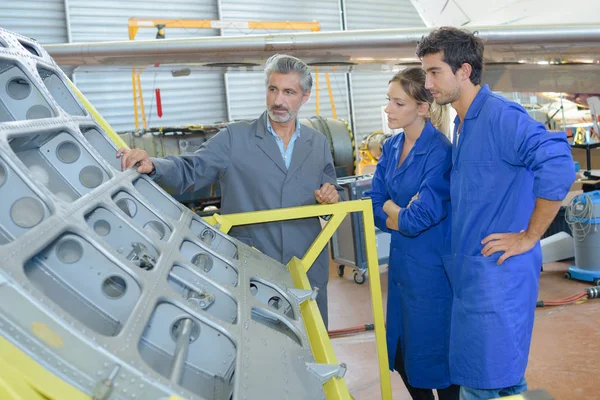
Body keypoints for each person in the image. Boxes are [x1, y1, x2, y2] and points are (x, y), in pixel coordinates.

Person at [117, 54, 341, 327]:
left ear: (304, 97)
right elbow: (193, 169)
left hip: (307, 263)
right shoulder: (235, 138)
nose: (278, 100)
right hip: (255, 265)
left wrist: (331, 196)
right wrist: (154, 165)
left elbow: (331, 189)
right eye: (273, 89)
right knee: (259, 349)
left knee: (314, 347)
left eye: (288, 92)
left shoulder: (316, 143)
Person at [416, 27, 576, 399]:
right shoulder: (463, 123)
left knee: (493, 382)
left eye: (434, 72)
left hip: (498, 276)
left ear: (464, 71)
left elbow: (558, 165)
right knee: (488, 381)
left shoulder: (501, 116)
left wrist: (530, 236)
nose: (427, 83)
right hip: (474, 274)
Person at [366, 67, 459, 400]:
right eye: (388, 101)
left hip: (432, 274)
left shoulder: (440, 152)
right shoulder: (391, 148)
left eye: (398, 103)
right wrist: (397, 210)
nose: (388, 110)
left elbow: (418, 219)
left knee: (439, 362)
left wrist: (395, 210)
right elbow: (373, 204)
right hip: (403, 269)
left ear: (423, 107)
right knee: (404, 359)